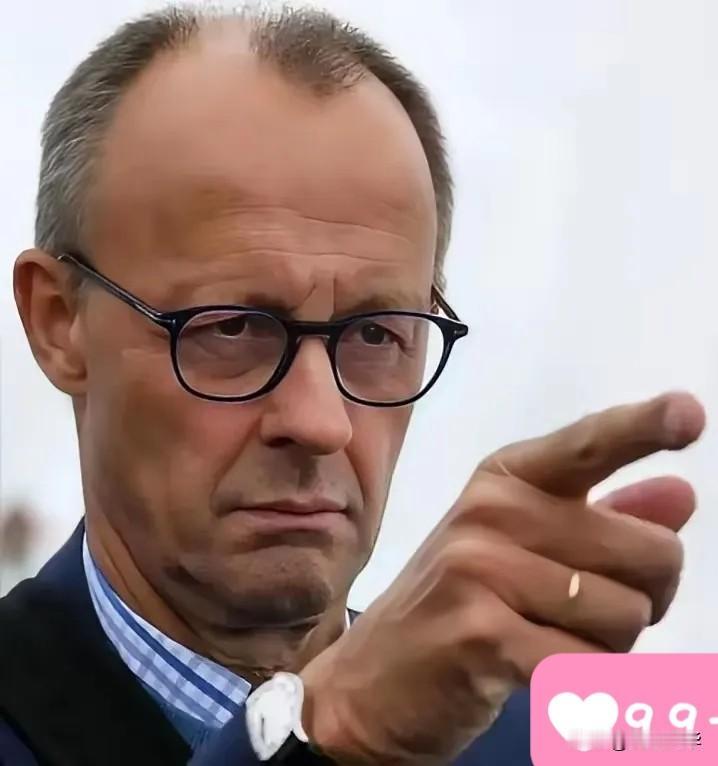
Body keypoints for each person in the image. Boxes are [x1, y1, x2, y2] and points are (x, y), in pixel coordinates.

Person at [0, 5, 705, 765]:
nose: (321, 421)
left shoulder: (589, 728)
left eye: (376, 335)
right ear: (58, 322)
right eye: (232, 328)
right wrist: (326, 731)